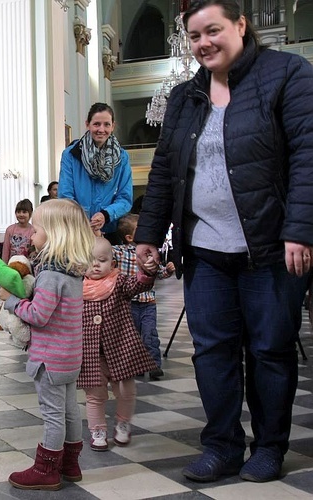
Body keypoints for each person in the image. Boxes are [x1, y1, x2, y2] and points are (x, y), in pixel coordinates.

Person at [134, 0, 313, 484]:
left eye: (212, 31)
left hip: (271, 247)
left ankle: (270, 446)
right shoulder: (184, 97)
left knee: (269, 349)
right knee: (211, 351)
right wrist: (149, 234)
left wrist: (300, 228)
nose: (203, 43)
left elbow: (307, 156)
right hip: (206, 249)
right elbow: (167, 173)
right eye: (194, 37)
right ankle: (222, 446)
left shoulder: (288, 74)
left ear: (239, 25)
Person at [0, 199, 94, 490]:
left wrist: (12, 302)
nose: (32, 234)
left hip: (49, 358)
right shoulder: (73, 272)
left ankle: (47, 469)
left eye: (37, 229)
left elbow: (39, 315)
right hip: (69, 355)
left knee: (53, 414)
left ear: (54, 234)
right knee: (69, 410)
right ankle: (70, 464)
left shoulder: (51, 275)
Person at [79, 237, 157, 453]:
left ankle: (123, 423)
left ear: (112, 264)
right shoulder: (77, 288)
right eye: (90, 260)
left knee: (126, 391)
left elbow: (138, 284)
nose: (96, 264)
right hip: (92, 354)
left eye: (102, 260)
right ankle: (98, 431)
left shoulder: (119, 282)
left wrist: (146, 272)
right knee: (94, 395)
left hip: (121, 349)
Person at [58, 103, 133, 243]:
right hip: (77, 230)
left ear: (113, 126)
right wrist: (84, 220)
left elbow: (125, 198)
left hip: (109, 229)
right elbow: (65, 196)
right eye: (96, 124)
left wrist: (105, 214)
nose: (101, 129)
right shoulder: (70, 154)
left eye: (106, 124)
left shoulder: (122, 157)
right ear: (88, 124)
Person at [113, 213, 175, 380]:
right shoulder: (120, 252)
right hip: (128, 303)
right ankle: (135, 365)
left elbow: (159, 273)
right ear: (129, 237)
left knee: (150, 334)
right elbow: (103, 252)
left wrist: (167, 270)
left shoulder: (149, 254)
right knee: (131, 335)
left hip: (148, 302)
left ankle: (154, 365)